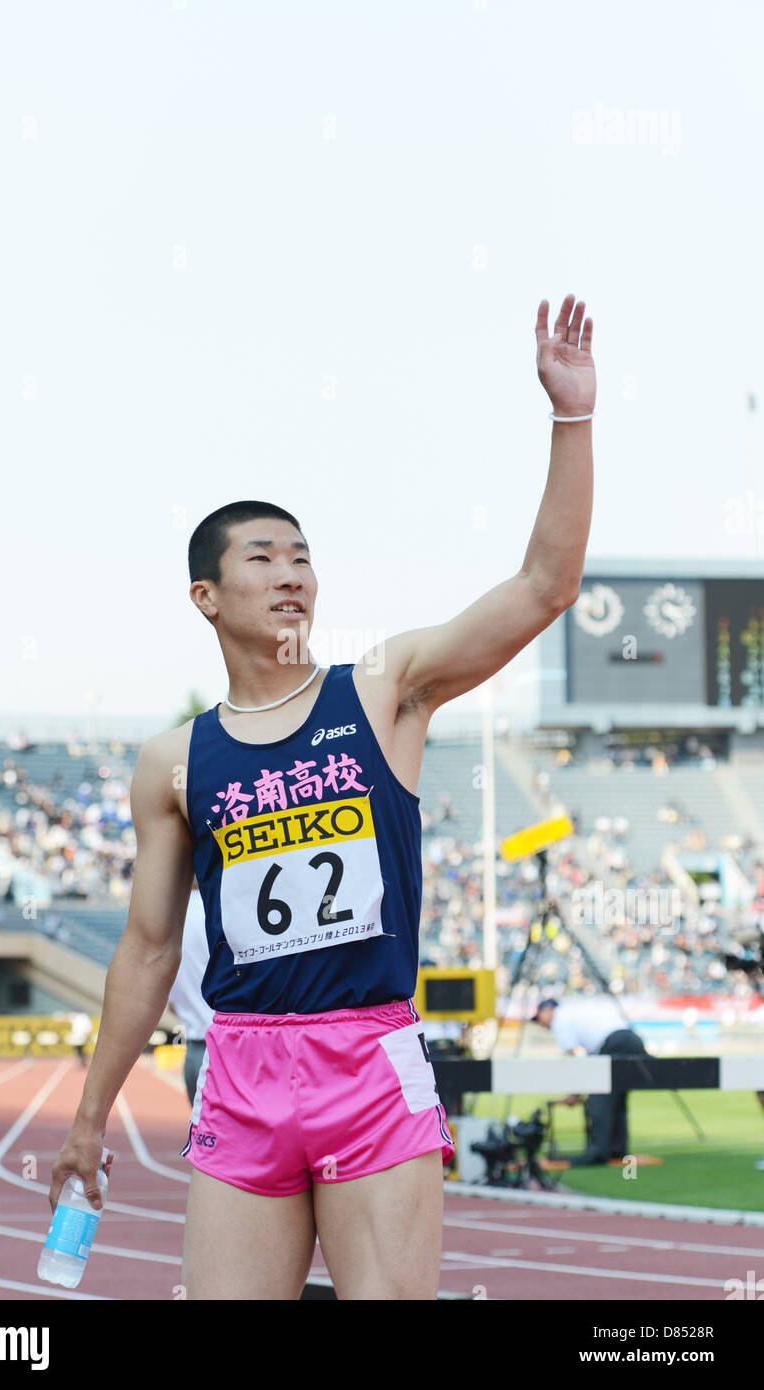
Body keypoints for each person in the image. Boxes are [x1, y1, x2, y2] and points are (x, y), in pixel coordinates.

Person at [48, 293, 596, 1299]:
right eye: (261, 558)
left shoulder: (381, 688)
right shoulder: (173, 761)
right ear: (205, 596)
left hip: (366, 1056)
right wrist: (89, 1118)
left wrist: (569, 418)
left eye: (302, 555)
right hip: (240, 1067)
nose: (291, 574)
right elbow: (148, 949)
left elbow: (541, 587)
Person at [533, 993, 648, 1166]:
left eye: (539, 1018)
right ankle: (617, 1149)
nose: (541, 1024)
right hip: (631, 1039)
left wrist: (574, 1093)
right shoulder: (575, 1012)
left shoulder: (560, 1020)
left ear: (548, 1010)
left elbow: (573, 1059)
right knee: (617, 1098)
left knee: (599, 1098)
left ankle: (597, 1153)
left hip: (615, 1042)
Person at [167, 880, 214, 1105]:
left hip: (194, 1050)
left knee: (200, 1135)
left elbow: (171, 1004)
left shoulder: (170, 916)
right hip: (227, 1045)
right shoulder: (216, 907)